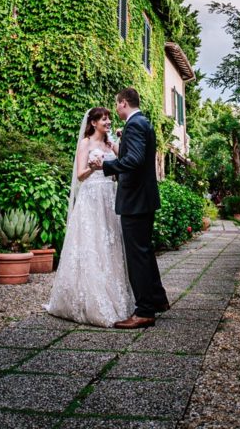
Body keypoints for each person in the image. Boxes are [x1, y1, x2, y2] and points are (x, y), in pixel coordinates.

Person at [45, 107, 134, 327]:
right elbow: (80, 175)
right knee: (91, 244)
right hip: (92, 197)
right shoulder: (85, 143)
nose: (109, 122)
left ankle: (116, 298)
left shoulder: (110, 144)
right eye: (104, 119)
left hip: (109, 197)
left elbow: (122, 164)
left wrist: (118, 144)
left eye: (109, 119)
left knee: (110, 245)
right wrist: (94, 169)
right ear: (93, 123)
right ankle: (88, 300)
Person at [90, 87, 169, 328]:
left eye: (116, 104)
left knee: (137, 256)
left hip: (135, 200)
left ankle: (144, 311)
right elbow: (139, 155)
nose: (115, 109)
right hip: (144, 198)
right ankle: (157, 299)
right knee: (144, 251)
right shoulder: (143, 122)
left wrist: (105, 167)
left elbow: (133, 161)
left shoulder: (135, 125)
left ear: (124, 103)